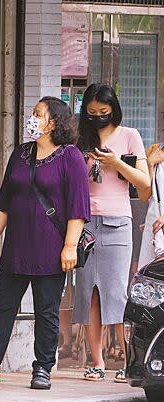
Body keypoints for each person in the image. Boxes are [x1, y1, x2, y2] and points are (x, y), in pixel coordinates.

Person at [0, 97, 90, 390]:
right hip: (17, 246)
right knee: (3, 306)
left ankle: (42, 368)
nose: (32, 118)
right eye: (33, 113)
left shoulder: (71, 157)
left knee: (46, 311)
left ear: (54, 122)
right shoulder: (21, 154)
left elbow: (79, 207)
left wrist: (69, 246)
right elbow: (4, 201)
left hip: (51, 247)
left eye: (38, 114)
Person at [72, 84, 150, 383]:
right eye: (91, 114)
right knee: (89, 292)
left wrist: (116, 162)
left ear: (113, 110)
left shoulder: (130, 136)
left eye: (103, 113)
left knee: (117, 293)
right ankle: (97, 361)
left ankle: (127, 360)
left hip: (118, 220)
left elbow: (144, 185)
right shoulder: (81, 139)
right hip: (86, 222)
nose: (98, 118)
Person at [138, 141, 164, 268]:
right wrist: (150, 164)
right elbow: (143, 196)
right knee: (151, 282)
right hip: (155, 228)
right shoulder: (154, 150)